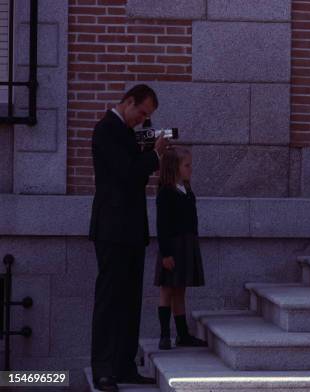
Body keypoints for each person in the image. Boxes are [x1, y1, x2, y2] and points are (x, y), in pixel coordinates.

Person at [89, 84, 169, 392]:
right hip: (111, 229)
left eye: (148, 116)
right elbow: (126, 173)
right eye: (142, 112)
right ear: (128, 102)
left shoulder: (127, 132)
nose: (142, 119)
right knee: (110, 300)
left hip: (133, 230)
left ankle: (124, 365)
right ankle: (104, 369)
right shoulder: (106, 129)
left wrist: (149, 146)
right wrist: (155, 156)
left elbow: (134, 169)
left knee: (131, 300)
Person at [155, 147, 206, 350]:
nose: (190, 169)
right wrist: (166, 253)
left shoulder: (187, 190)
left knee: (180, 290)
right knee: (167, 290)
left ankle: (182, 334)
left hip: (186, 245)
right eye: (187, 165)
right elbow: (162, 225)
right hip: (173, 246)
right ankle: (164, 335)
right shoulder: (166, 192)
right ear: (174, 167)